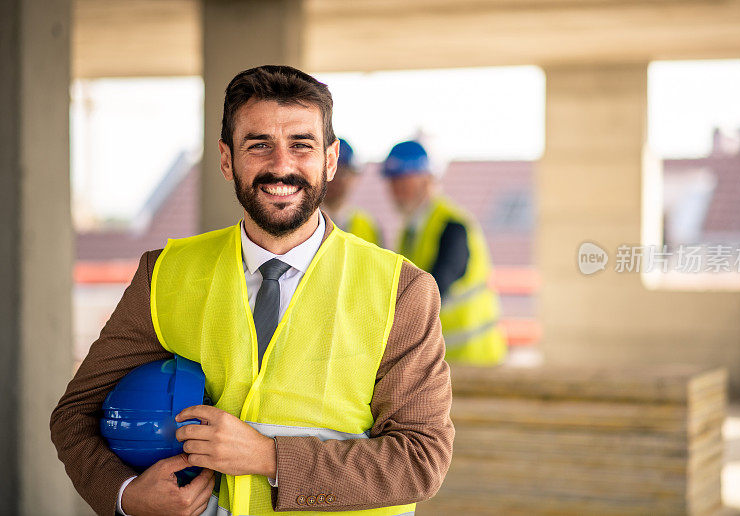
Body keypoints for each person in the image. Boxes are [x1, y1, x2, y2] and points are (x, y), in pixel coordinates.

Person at [51, 66, 453, 516]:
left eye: (301, 145)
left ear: (330, 159)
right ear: (226, 159)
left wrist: (268, 457)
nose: (281, 165)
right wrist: (127, 496)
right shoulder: (164, 273)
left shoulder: (401, 290)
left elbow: (420, 461)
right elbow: (76, 414)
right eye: (259, 145)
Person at [382, 140, 507, 366]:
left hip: (474, 359)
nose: (397, 189)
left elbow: (435, 289)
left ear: (427, 179)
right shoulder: (409, 231)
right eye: (392, 181)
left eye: (404, 179)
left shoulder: (452, 226)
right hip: (442, 362)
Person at [321, 138, 383, 246]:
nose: (335, 180)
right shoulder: (303, 221)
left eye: (343, 173)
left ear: (354, 177)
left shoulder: (367, 224)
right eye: (329, 171)